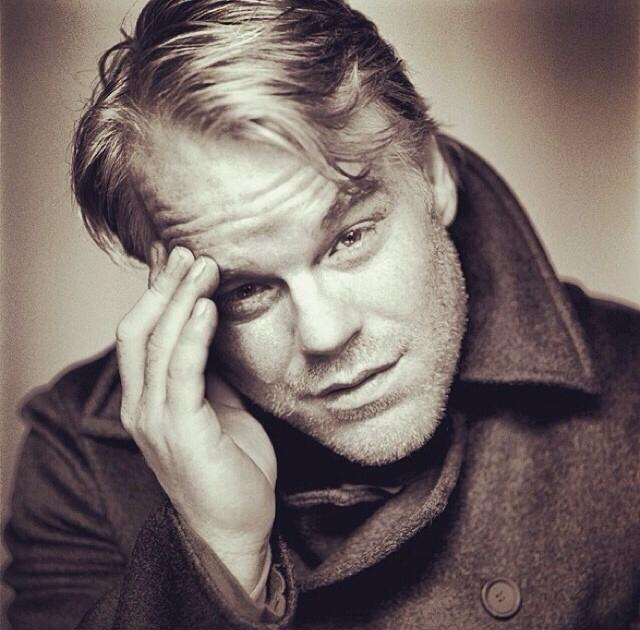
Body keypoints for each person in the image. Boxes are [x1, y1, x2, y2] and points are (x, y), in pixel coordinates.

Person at [3, 0, 639, 628]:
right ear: (169, 286)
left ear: (432, 173)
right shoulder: (82, 461)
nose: (326, 332)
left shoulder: (630, 392)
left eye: (350, 238)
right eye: (246, 289)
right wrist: (220, 553)